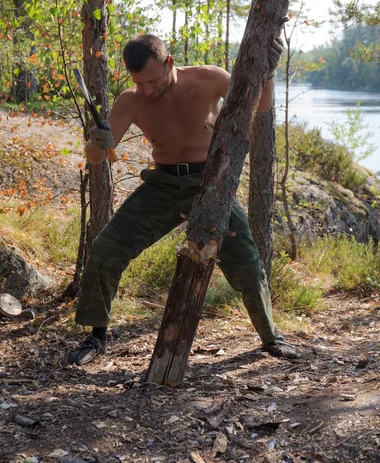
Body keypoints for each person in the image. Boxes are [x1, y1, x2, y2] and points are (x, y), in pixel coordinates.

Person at [69, 34, 299, 366]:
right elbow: (96, 157)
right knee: (106, 248)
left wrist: (270, 73)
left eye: (152, 80)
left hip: (210, 183)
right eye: (139, 82)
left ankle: (271, 337)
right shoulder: (131, 100)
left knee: (246, 260)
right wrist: (95, 139)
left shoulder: (209, 78)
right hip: (162, 185)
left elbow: (259, 106)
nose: (147, 89)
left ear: (169, 63)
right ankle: (96, 336)